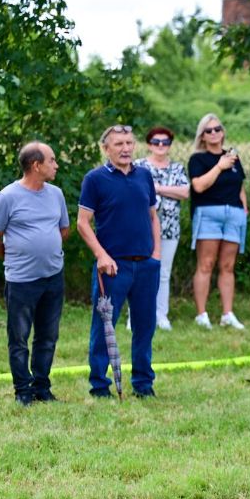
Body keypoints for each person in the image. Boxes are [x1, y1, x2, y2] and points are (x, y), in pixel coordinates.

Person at [76, 124, 162, 398]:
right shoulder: (95, 179)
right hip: (113, 267)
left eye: (129, 143)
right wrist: (101, 255)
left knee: (145, 327)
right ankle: (100, 387)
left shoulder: (144, 176)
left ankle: (143, 384)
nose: (125, 149)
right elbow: (82, 223)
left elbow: (152, 216)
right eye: (118, 144)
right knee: (104, 327)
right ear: (106, 148)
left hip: (146, 265)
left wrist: (156, 255)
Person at [0, 141, 70, 407]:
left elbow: (63, 230)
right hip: (21, 282)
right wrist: (18, 257)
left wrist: (45, 249)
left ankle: (42, 388)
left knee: (48, 336)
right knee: (19, 338)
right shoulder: (7, 198)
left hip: (53, 278)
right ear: (36, 165)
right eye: (52, 160)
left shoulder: (56, 194)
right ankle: (23, 391)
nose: (56, 165)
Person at [188, 113, 247, 330]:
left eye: (217, 129)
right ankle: (201, 314)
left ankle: (227, 313)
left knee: (228, 266)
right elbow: (199, 186)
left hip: (234, 214)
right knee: (206, 264)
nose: (214, 133)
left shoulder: (234, 157)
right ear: (202, 136)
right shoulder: (198, 159)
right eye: (208, 130)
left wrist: (244, 209)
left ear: (223, 132)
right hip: (208, 213)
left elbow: (239, 185)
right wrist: (220, 166)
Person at [133, 126, 190, 330]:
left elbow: (184, 192)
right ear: (149, 144)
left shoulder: (177, 168)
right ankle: (136, 316)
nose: (160, 146)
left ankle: (161, 315)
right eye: (156, 142)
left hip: (169, 228)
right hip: (142, 228)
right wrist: (168, 191)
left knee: (163, 272)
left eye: (165, 142)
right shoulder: (138, 166)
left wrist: (157, 189)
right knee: (139, 272)